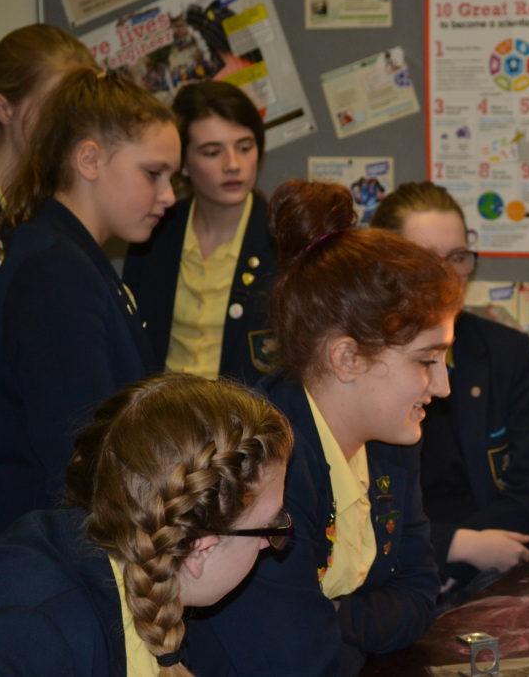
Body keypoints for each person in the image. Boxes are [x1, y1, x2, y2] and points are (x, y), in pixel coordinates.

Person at [184, 180, 463, 676]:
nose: (441, 387)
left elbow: (419, 595)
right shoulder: (263, 464)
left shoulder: (392, 442)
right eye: (426, 360)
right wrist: (343, 627)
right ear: (348, 357)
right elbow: (295, 657)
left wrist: (333, 618)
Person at [0, 373, 293, 675]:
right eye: (268, 528)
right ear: (199, 551)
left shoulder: (147, 586)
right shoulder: (36, 635)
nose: (268, 543)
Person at [0, 68, 180, 535]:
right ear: (90, 159)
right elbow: (80, 457)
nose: (169, 196)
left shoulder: (72, 255)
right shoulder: (56, 272)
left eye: (172, 177)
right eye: (153, 173)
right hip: (50, 555)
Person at [371, 181, 529, 608]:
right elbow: (361, 509)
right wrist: (455, 546)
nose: (449, 276)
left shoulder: (504, 352)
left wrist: (461, 561)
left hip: (494, 578)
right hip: (393, 584)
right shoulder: (362, 363)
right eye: (426, 260)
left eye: (458, 258)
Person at [124, 81, 275, 386]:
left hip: (248, 421)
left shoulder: (281, 238)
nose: (233, 165)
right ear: (183, 165)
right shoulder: (154, 229)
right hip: (159, 417)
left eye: (245, 148)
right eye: (211, 152)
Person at [0, 24, 96, 263]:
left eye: (80, 108)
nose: (73, 123)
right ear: (4, 109)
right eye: (55, 106)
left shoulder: (59, 203)